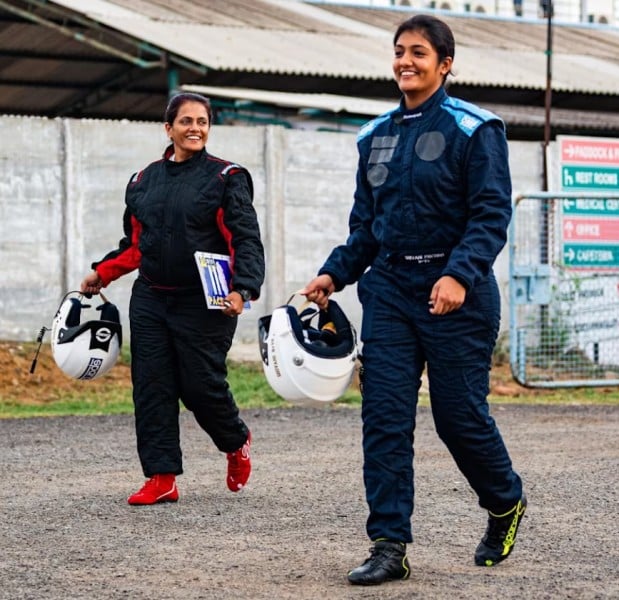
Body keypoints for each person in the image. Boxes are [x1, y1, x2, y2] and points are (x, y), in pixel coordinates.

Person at [301, 14, 526, 586]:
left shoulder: (476, 129)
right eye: (399, 51)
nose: (406, 61)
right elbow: (366, 228)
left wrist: (458, 276)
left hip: (457, 296)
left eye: (419, 53)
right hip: (391, 293)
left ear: (445, 64)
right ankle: (388, 545)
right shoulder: (373, 134)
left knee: (458, 417)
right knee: (384, 420)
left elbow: (491, 215)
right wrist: (335, 273)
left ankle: (504, 502)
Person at [80, 92, 265, 505]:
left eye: (202, 121)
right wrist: (102, 273)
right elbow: (136, 245)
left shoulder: (226, 178)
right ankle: (161, 477)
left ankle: (236, 441)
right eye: (186, 121)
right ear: (169, 128)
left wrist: (243, 287)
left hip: (206, 302)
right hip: (150, 300)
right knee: (152, 386)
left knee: (200, 386)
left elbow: (244, 238)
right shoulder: (143, 181)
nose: (195, 128)